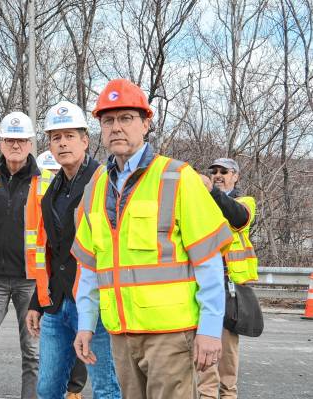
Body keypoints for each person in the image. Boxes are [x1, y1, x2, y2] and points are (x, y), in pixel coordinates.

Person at [72, 79, 233, 399]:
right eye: (108, 120)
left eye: (126, 118)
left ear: (146, 123)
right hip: (121, 335)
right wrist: (86, 323)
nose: (116, 127)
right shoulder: (96, 187)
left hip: (171, 337)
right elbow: (91, 266)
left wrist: (211, 330)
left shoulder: (177, 177)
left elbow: (209, 261)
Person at [25, 101, 121, 399]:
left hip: (95, 303)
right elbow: (52, 254)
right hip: (58, 304)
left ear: (85, 140)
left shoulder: (106, 183)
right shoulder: (50, 192)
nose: (63, 143)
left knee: (105, 388)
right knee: (48, 389)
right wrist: (36, 303)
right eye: (56, 137)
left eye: (69, 136)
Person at [0, 112, 53, 399]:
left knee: (34, 355)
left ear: (31, 144)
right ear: (0, 142)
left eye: (22, 140)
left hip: (32, 283)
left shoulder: (48, 182)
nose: (16, 145)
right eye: (10, 140)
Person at [197, 158, 257, 399]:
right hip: (202, 283)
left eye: (224, 171)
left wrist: (210, 190)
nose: (218, 175)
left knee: (226, 351)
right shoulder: (203, 203)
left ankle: (228, 394)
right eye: (214, 172)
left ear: (236, 176)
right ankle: (207, 395)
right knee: (203, 348)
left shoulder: (244, 202)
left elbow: (237, 217)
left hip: (229, 287)